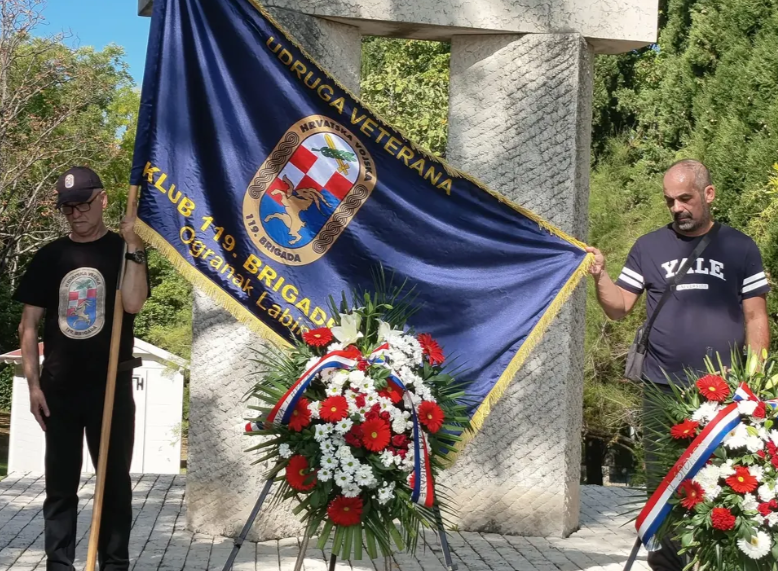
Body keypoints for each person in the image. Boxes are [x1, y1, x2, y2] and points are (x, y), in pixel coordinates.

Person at [586, 159, 770, 571]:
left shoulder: (740, 247)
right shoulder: (649, 247)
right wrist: (600, 275)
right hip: (662, 389)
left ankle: (717, 562)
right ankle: (667, 565)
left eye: (685, 198)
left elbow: (756, 318)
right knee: (664, 484)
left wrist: (753, 385)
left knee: (725, 482)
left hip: (724, 395)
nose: (676, 207)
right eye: (670, 200)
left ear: (709, 194)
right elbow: (619, 307)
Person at [14, 166, 149, 571]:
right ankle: (59, 565)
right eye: (68, 208)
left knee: (114, 483)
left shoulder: (123, 250)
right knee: (60, 486)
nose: (76, 214)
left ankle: (113, 564)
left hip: (110, 385)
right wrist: (33, 386)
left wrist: (135, 244)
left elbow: (133, 303)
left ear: (103, 200)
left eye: (83, 204)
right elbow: (28, 325)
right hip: (59, 388)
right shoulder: (50, 256)